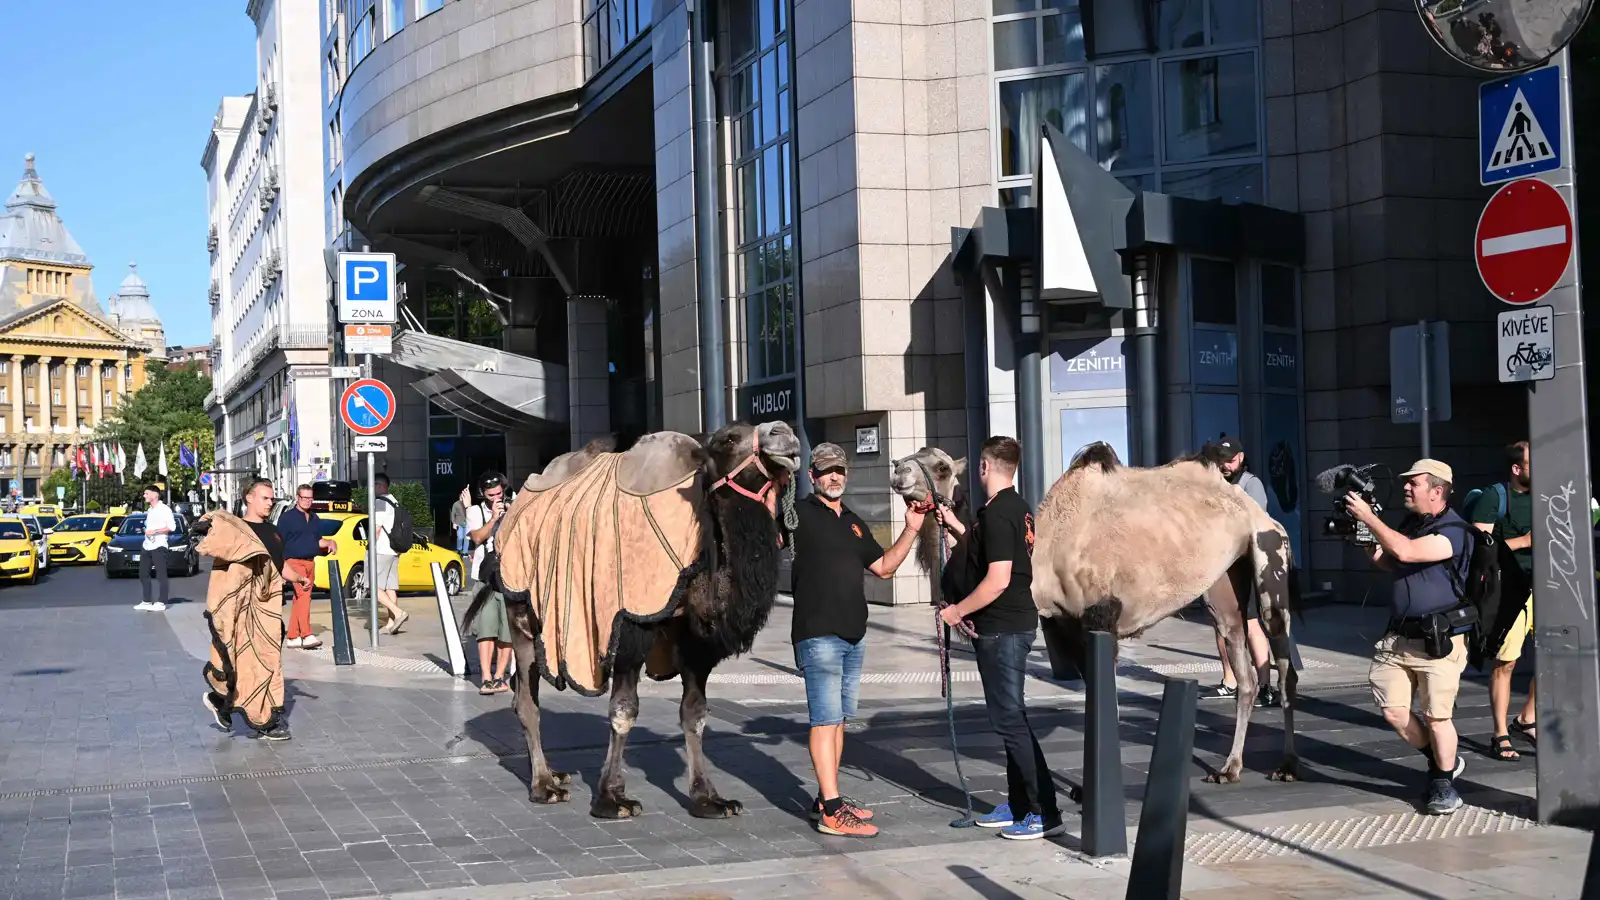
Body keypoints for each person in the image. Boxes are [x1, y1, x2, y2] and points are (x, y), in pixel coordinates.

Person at [789, 443, 924, 838]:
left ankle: (825, 797)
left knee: (839, 721)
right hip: (818, 634)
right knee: (824, 719)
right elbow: (767, 532)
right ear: (812, 476)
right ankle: (832, 813)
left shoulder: (853, 520)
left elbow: (882, 567)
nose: (835, 477)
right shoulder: (797, 513)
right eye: (827, 471)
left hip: (853, 636)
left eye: (840, 471)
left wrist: (912, 529)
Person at [938, 436, 1061, 840]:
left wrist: (957, 611)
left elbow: (997, 579)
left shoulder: (998, 514)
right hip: (1010, 625)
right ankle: (1019, 804)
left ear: (986, 467)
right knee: (1011, 719)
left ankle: (1044, 812)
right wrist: (954, 525)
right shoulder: (1016, 509)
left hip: (1004, 628)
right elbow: (987, 553)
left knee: (1010, 720)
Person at [1344, 458, 1474, 815]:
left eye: (1413, 483)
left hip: (1438, 639)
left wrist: (1371, 517)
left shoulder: (1456, 530)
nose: (1405, 487)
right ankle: (1440, 759)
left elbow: (1407, 551)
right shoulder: (1411, 524)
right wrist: (1366, 540)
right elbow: (1392, 561)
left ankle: (1444, 784)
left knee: (1437, 716)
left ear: (1437, 491)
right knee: (1393, 710)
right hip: (1399, 637)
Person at [197, 479, 312, 741]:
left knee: (265, 660)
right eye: (265, 498)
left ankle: (254, 715)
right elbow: (214, 541)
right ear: (249, 498)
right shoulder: (236, 529)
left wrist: (299, 578)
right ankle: (246, 712)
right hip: (239, 607)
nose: (270, 503)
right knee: (239, 658)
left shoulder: (273, 532)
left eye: (272, 499)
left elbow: (279, 567)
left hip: (265, 609)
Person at [1470, 441, 1537, 760]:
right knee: (1506, 662)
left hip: (1549, 585)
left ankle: (1527, 718)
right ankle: (1500, 733)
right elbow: (1479, 551)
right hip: (1511, 587)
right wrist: (1524, 541)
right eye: (1532, 462)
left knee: (1557, 660)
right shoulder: (1494, 498)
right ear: (1516, 469)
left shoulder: (1548, 494)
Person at [1200, 436, 1277, 707]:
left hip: (1247, 564)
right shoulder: (1214, 485)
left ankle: (1265, 684)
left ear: (1241, 458)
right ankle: (1230, 680)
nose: (1225, 466)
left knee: (1253, 623)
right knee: (1222, 625)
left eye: (1230, 460)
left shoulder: (1250, 483)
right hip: (1221, 566)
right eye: (1221, 461)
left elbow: (1256, 520)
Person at [465, 470, 515, 694]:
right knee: (486, 630)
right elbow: (476, 537)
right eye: (490, 494)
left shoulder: (514, 507)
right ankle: (485, 677)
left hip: (510, 577)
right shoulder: (475, 511)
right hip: (485, 578)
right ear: (483, 494)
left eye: (498, 493)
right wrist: (494, 518)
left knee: (507, 631)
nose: (496, 498)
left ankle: (500, 676)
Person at [276, 484, 338, 649]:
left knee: (300, 600)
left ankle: (293, 637)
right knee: (305, 596)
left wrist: (330, 542)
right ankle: (307, 634)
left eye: (310, 498)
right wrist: (281, 570)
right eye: (304, 498)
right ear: (297, 498)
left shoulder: (314, 518)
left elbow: (317, 540)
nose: (307, 501)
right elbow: (278, 543)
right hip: (293, 562)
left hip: (310, 562)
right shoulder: (287, 518)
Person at [370, 474, 410, 635]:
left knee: (373, 587)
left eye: (373, 486)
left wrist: (369, 547)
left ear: (380, 486)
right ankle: (391, 623)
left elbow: (376, 529)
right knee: (390, 587)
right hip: (394, 550)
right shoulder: (394, 501)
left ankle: (398, 613)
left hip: (381, 550)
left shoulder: (380, 503)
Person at [136, 485, 176, 612]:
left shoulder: (164, 509)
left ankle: (162, 602)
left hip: (159, 545)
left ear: (155, 495)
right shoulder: (150, 510)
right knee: (143, 573)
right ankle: (147, 601)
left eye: (146, 493)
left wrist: (155, 532)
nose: (144, 496)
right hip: (147, 545)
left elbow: (171, 527)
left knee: (161, 574)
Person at [451, 486, 472, 568]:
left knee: (466, 538)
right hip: (459, 523)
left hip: (467, 523)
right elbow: (453, 514)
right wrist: (453, 522)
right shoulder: (456, 504)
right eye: (462, 496)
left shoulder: (467, 503)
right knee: (460, 537)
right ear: (460, 496)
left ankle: (465, 552)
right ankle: (459, 549)